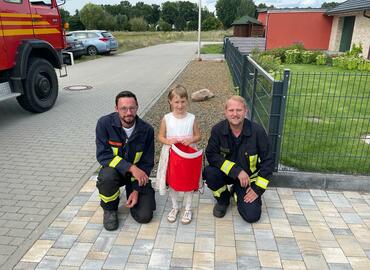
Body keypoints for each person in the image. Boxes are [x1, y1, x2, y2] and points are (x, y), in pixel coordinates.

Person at [202, 95, 273, 223]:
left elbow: (268, 161)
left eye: (239, 110)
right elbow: (211, 154)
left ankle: (236, 191)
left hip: (247, 180)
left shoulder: (257, 131)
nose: (235, 114)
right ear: (225, 112)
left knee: (252, 216)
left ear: (245, 111)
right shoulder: (218, 130)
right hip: (227, 174)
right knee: (209, 172)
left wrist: (257, 190)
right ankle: (223, 200)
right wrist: (237, 171)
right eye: (231, 110)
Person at [96, 91, 156, 231]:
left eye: (132, 108)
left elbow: (147, 163)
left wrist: (136, 190)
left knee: (144, 216)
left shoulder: (146, 130)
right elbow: (103, 155)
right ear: (116, 108)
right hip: (115, 172)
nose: (128, 112)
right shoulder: (104, 124)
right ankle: (110, 209)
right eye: (123, 108)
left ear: (137, 107)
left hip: (136, 177)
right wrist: (131, 167)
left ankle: (133, 192)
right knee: (106, 177)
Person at [156, 85, 201, 224]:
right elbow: (160, 137)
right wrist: (169, 141)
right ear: (170, 102)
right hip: (172, 154)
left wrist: (191, 139)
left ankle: (187, 208)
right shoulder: (167, 118)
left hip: (188, 154)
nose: (180, 105)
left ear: (187, 101)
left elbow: (198, 135)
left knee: (188, 181)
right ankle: (175, 207)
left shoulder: (191, 118)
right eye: (176, 102)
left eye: (182, 101)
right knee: (173, 181)